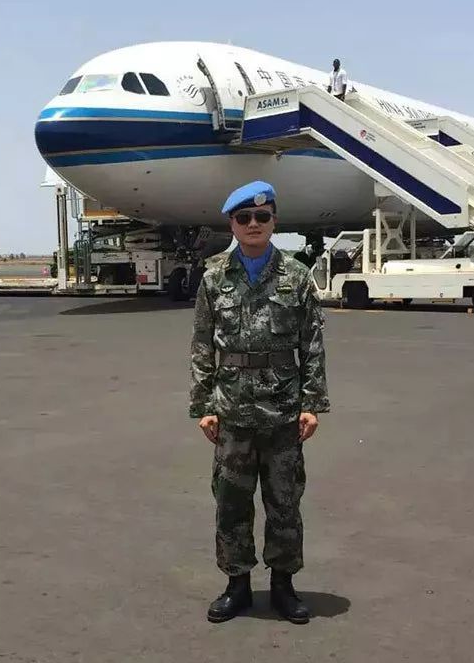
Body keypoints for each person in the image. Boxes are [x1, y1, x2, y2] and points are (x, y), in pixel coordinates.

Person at [189, 180, 330, 624]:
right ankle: (237, 585)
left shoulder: (296, 276)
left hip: (283, 409)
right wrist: (204, 406)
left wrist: (312, 402)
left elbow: (312, 344)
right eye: (244, 218)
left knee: (284, 502)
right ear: (232, 224)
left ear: (274, 222)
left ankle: (284, 586)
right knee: (231, 501)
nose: (253, 224)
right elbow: (201, 345)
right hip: (231, 409)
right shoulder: (214, 276)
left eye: (262, 217)